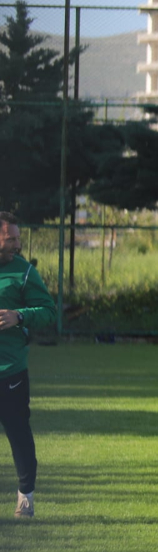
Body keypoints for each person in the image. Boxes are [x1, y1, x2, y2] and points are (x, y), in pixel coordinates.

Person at [0, 212, 56, 519]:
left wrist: (18, 316)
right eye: (11, 239)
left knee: (19, 435)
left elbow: (49, 312)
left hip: (10, 371)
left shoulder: (23, 272)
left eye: (19, 239)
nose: (18, 244)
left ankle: (25, 498)